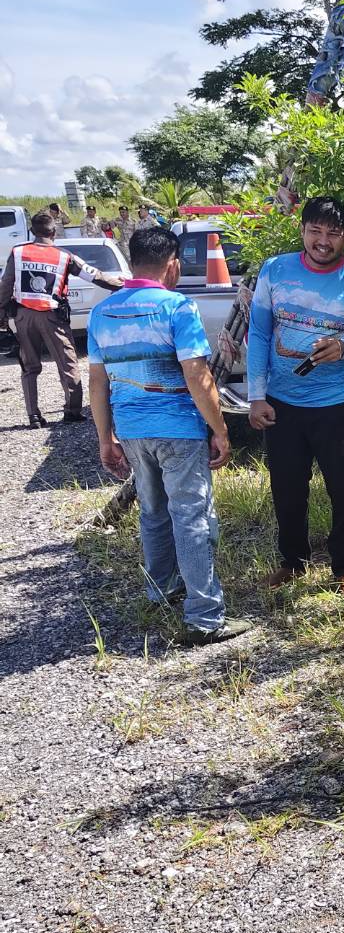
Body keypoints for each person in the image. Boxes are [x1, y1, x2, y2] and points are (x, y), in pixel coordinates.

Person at [88, 227, 250, 646]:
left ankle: (161, 589)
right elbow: (197, 375)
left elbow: (98, 383)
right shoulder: (178, 307)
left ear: (132, 262)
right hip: (178, 430)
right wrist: (220, 429)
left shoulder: (102, 313)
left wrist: (106, 438)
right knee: (192, 516)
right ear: (173, 264)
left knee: (153, 511)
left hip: (132, 431)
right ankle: (205, 617)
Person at [247, 195, 344, 594]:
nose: (323, 241)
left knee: (343, 489)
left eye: (333, 233)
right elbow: (258, 333)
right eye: (315, 231)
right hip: (281, 403)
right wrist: (256, 396)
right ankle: (292, 562)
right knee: (287, 487)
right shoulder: (275, 270)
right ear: (302, 230)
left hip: (336, 405)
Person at [0, 212, 123, 427]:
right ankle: (73, 411)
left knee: (29, 367)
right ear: (54, 232)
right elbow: (93, 275)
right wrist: (121, 284)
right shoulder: (64, 256)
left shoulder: (18, 252)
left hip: (23, 316)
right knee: (67, 364)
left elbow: (5, 285)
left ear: (32, 231)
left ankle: (33, 416)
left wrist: (2, 313)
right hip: (53, 317)